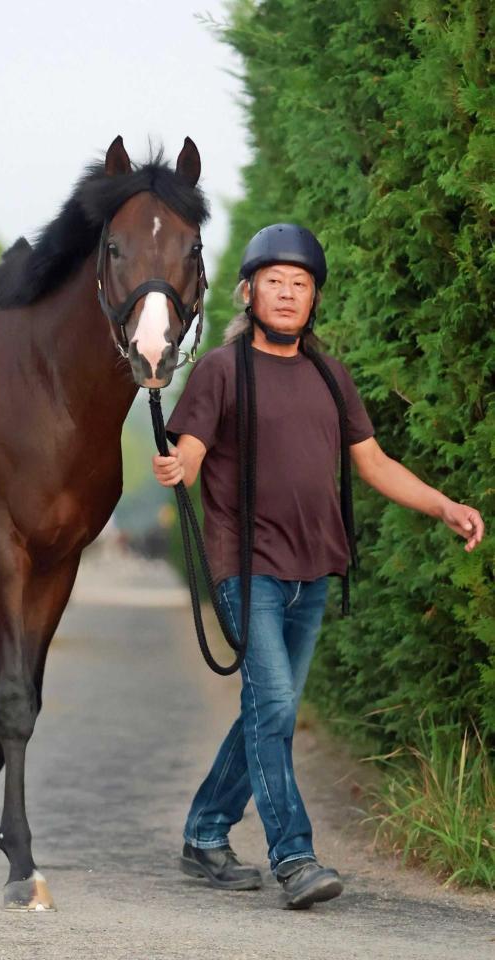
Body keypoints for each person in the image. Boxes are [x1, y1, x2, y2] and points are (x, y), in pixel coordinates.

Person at [152, 224, 485, 909]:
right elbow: (190, 449)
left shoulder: (331, 376)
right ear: (249, 292)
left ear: (314, 300)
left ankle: (205, 832)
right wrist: (179, 463)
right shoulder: (223, 369)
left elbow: (374, 463)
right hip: (247, 567)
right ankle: (294, 856)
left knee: (267, 710)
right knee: (273, 706)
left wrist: (443, 505)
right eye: (274, 281)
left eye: (300, 284)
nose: (287, 293)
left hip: (314, 570)